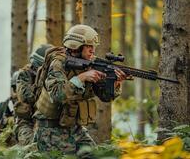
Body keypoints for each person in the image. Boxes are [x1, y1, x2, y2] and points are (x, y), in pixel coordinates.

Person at [33, 25, 127, 156]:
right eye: (89, 47)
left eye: (93, 47)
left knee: (94, 155)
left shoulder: (89, 64)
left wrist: (115, 83)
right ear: (76, 46)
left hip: (74, 127)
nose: (92, 51)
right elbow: (57, 94)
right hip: (50, 129)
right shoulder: (58, 63)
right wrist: (81, 78)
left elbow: (105, 97)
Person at [14, 44, 53, 146]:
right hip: (27, 122)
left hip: (50, 122)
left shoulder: (54, 76)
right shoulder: (24, 74)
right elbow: (26, 97)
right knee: (31, 147)